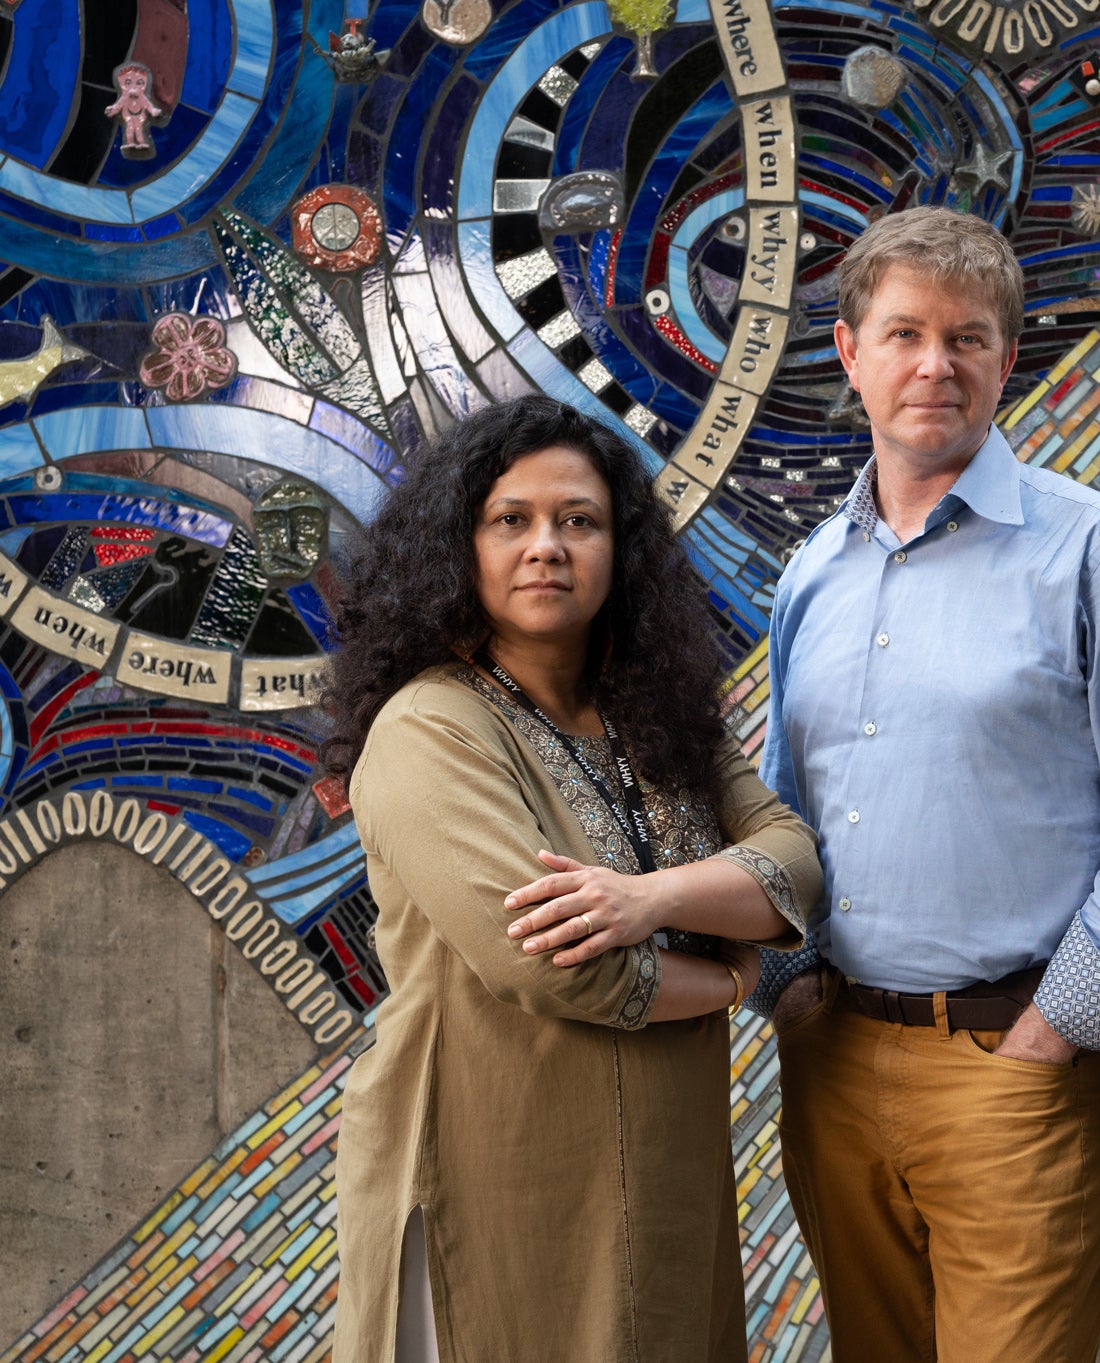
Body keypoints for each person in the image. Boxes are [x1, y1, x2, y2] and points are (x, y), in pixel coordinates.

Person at [755, 206, 1100, 1362]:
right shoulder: (812, 573)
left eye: (966, 338)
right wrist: (792, 990)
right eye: (903, 333)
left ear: (1008, 360)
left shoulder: (1097, 552)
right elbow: (775, 808)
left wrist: (1054, 1031)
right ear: (849, 355)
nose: (933, 364)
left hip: (1015, 1070)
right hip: (834, 1066)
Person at [327, 396, 822, 1363]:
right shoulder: (432, 728)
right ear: (457, 547)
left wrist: (653, 901)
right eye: (511, 520)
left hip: (665, 1170)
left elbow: (795, 862)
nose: (546, 546)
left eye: (579, 520)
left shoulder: (656, 716)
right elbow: (556, 967)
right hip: (496, 1168)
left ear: (620, 550)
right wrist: (732, 971)